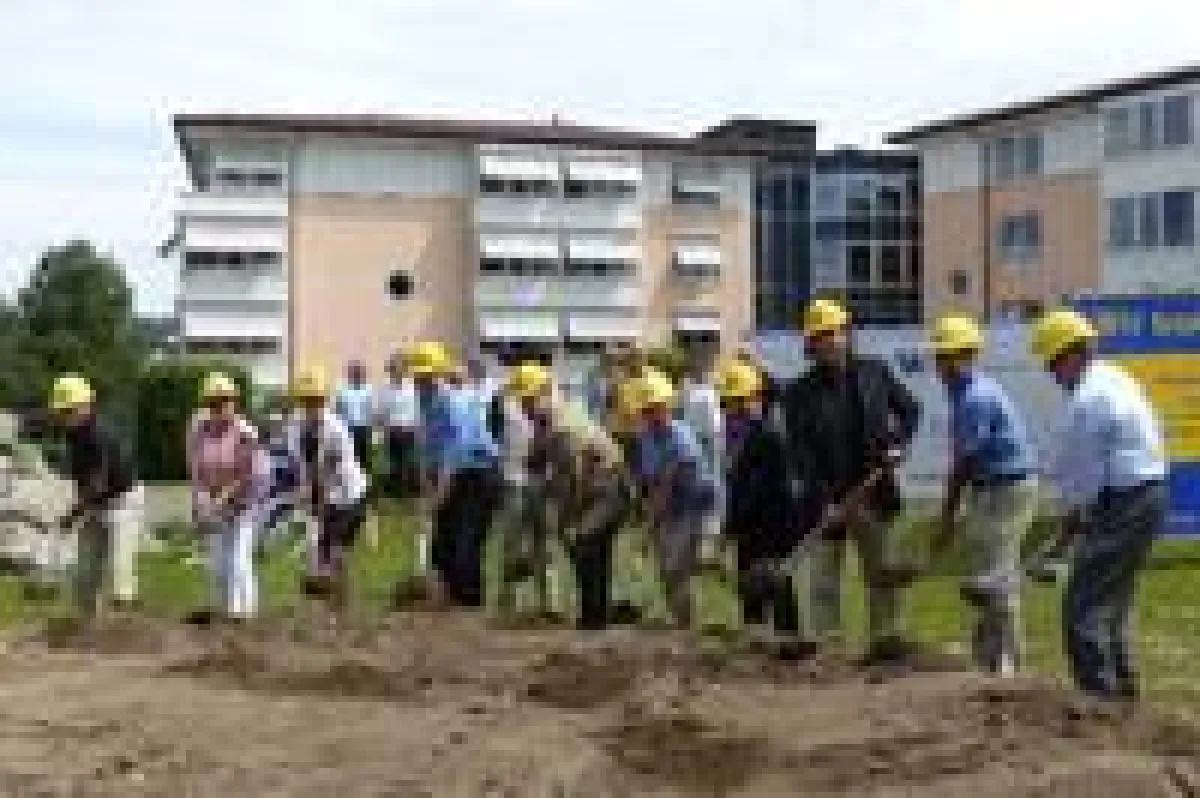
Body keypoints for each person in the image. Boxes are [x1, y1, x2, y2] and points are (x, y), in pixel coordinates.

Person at [1031, 309, 1167, 702]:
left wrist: (1061, 540)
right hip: (1150, 492)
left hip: (1125, 500)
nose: (1053, 376)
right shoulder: (1116, 376)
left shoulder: (1088, 402)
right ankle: (1124, 697)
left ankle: (1100, 702)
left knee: (1082, 607)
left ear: (1069, 355)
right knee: (1114, 604)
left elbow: (1083, 487)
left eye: (1052, 365)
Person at [781, 299, 921, 663]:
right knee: (824, 585)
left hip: (874, 495)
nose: (829, 341)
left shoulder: (875, 373)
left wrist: (898, 443)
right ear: (811, 344)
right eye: (821, 336)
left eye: (834, 333)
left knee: (882, 579)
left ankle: (885, 646)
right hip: (828, 503)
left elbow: (909, 409)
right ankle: (830, 654)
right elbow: (801, 456)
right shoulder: (797, 395)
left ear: (847, 334)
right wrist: (824, 500)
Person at [929, 315, 1039, 676]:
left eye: (948, 356)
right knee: (987, 574)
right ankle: (988, 657)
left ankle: (1008, 664)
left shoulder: (974, 397)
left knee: (997, 576)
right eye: (940, 356)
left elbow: (963, 463)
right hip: (993, 488)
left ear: (967, 356)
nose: (941, 364)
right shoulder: (967, 391)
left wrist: (948, 516)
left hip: (1006, 488)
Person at [503, 363, 630, 627]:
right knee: (588, 549)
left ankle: (594, 617)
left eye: (527, 400)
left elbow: (578, 473)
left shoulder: (562, 425)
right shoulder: (548, 421)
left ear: (543, 395)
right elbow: (537, 461)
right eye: (521, 401)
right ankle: (595, 615)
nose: (523, 407)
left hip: (606, 490)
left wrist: (571, 515)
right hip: (595, 487)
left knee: (585, 543)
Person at [716, 360, 801, 648]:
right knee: (751, 590)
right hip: (750, 531)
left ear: (757, 399)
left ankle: (789, 645)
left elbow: (752, 493)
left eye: (740, 402)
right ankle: (758, 645)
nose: (734, 409)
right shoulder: (740, 438)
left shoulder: (768, 437)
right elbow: (738, 489)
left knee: (774, 586)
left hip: (771, 529)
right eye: (728, 403)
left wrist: (728, 531)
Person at [412, 343, 502, 608]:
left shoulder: (452, 403)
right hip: (453, 474)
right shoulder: (425, 402)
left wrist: (437, 496)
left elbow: (454, 455)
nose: (422, 381)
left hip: (480, 475)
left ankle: (471, 606)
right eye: (419, 376)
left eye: (427, 376)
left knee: (466, 545)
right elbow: (428, 448)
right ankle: (448, 603)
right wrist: (425, 487)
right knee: (441, 547)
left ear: (439, 374)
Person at [47, 375, 137, 620]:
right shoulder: (73, 435)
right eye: (62, 412)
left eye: (69, 410)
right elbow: (84, 478)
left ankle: (124, 625)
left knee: (118, 566)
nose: (65, 416)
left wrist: (74, 513)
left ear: (86, 406)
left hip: (122, 502)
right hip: (95, 503)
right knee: (86, 567)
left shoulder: (99, 434)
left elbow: (98, 482)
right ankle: (86, 622)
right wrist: (80, 510)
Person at [635, 371, 719, 628]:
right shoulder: (647, 438)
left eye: (655, 408)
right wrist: (651, 522)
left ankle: (688, 624)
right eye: (647, 410)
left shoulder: (681, 436)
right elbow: (652, 482)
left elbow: (668, 484)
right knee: (666, 567)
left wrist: (649, 526)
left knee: (676, 566)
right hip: (671, 504)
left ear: (666, 407)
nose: (650, 415)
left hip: (695, 503)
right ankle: (681, 621)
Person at [186, 373, 268, 622]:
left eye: (224, 402)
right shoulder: (199, 430)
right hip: (216, 502)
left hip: (247, 502)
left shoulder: (245, 433)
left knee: (239, 559)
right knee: (218, 563)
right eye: (213, 403)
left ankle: (242, 614)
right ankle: (221, 612)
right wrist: (200, 505)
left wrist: (221, 499)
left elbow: (246, 476)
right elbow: (197, 472)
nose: (219, 408)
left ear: (234, 403)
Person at [288, 367, 369, 604]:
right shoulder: (296, 428)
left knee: (337, 551)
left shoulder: (336, 430)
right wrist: (305, 493)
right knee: (322, 553)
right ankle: (325, 603)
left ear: (324, 400)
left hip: (349, 495)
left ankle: (342, 602)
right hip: (323, 491)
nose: (311, 406)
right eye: (306, 401)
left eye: (316, 400)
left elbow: (335, 472)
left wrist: (321, 503)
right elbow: (302, 464)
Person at [376, 353, 421, 498]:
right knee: (394, 461)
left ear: (405, 369)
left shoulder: (413, 387)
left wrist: (418, 428)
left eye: (399, 367)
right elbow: (381, 410)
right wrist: (383, 429)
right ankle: (396, 490)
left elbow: (417, 409)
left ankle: (410, 490)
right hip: (392, 430)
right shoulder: (385, 388)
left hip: (409, 430)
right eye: (393, 368)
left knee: (409, 461)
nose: (396, 370)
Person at [334, 360, 376, 474]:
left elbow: (373, 411)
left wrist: (373, 430)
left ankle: (365, 486)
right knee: (348, 460)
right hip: (347, 430)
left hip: (364, 430)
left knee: (364, 461)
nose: (357, 374)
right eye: (354, 371)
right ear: (350, 373)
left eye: (359, 372)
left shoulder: (369, 390)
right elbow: (337, 411)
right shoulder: (342, 390)